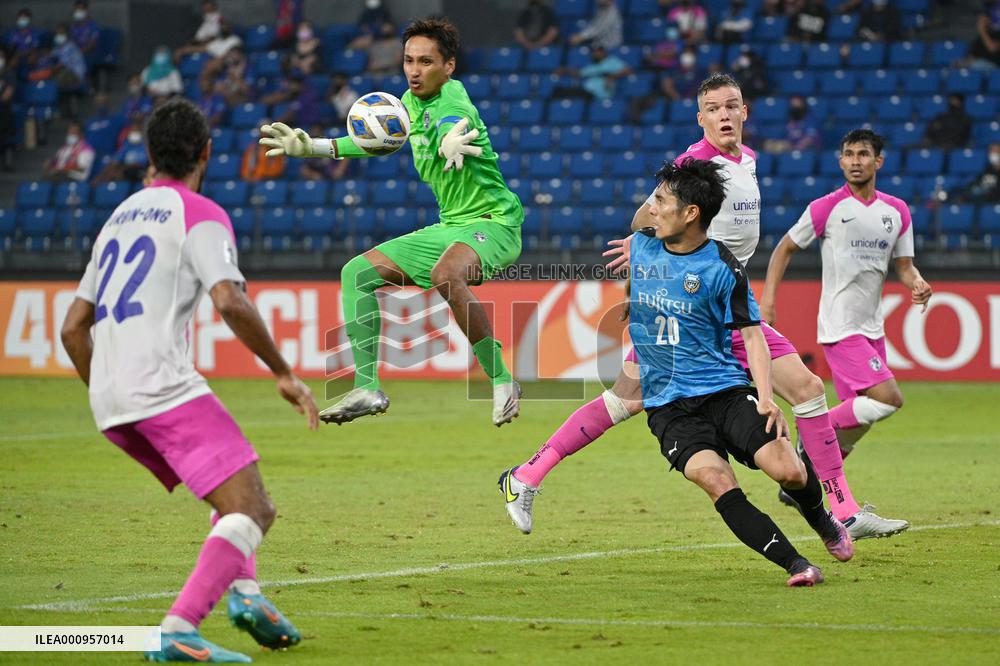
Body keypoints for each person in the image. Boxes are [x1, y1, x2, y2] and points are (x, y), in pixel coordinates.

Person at [500, 73, 908, 541]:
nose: (724, 115)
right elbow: (647, 218)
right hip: (689, 312)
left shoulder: (747, 161)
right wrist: (641, 247)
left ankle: (841, 507)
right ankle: (526, 475)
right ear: (701, 118)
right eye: (713, 109)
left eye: (731, 106)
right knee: (623, 400)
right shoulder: (694, 162)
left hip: (725, 308)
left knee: (810, 389)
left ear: (744, 112)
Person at [60, 98, 318, 663]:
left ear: (149, 154)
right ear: (206, 153)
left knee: (230, 486)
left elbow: (73, 328)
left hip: (111, 397)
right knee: (254, 508)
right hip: (159, 387)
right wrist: (284, 373)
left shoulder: (118, 217)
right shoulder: (199, 212)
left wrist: (109, 391)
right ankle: (179, 627)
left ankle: (248, 596)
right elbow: (230, 299)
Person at [260, 18, 524, 427]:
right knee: (357, 273)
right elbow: (377, 141)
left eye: (426, 62)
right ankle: (367, 386)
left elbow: (454, 121)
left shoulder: (453, 98)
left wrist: (451, 138)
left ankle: (503, 380)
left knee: (445, 274)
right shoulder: (408, 103)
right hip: (449, 225)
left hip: (495, 223)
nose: (415, 70)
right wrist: (313, 146)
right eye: (408, 61)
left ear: (449, 66)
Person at [617, 158, 852, 586]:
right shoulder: (644, 243)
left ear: (691, 214)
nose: (653, 209)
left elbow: (754, 336)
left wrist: (765, 396)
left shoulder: (723, 267)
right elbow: (642, 216)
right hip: (669, 406)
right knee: (715, 479)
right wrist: (676, 174)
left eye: (662, 202)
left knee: (790, 472)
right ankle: (797, 564)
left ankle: (821, 518)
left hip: (724, 391)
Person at [761, 129, 932, 510]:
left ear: (878, 161)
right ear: (840, 161)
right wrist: (769, 300)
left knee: (861, 420)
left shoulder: (896, 211)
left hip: (873, 328)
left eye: (863, 154)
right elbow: (784, 247)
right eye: (849, 154)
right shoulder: (827, 208)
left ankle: (802, 484)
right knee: (887, 399)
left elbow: (903, 266)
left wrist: (917, 282)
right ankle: (812, 427)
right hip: (841, 326)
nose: (855, 161)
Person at [552, 44, 631, 100]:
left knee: (567, 93)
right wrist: (565, 70)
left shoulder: (612, 61)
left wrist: (612, 76)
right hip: (586, 92)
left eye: (597, 51)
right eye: (593, 52)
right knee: (558, 91)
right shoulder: (593, 65)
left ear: (603, 52)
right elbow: (579, 73)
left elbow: (628, 70)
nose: (594, 54)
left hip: (599, 94)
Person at [968, 1, 1000, 69]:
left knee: (976, 66)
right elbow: (973, 56)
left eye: (984, 18)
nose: (981, 21)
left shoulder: (996, 33)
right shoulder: (980, 37)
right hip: (980, 66)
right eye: (980, 19)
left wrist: (982, 31)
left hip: (995, 67)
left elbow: (993, 48)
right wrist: (962, 63)